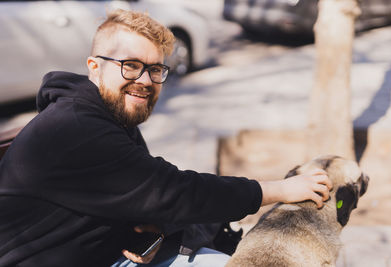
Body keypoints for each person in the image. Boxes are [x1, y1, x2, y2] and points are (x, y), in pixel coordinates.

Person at [0, 9, 332, 267]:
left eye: (156, 69)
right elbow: (177, 192)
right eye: (130, 65)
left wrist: (158, 232)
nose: (145, 80)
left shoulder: (110, 116)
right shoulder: (75, 129)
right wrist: (280, 190)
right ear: (94, 67)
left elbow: (152, 200)